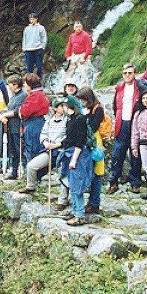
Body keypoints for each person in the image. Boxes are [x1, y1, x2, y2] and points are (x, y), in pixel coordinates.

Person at [21, 97, 68, 211]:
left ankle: (62, 201)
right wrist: (46, 143)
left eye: (64, 106)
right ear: (55, 109)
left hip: (62, 151)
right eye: (61, 106)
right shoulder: (49, 121)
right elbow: (43, 134)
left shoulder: (68, 121)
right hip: (49, 150)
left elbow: (69, 136)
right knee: (31, 166)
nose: (64, 108)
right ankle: (31, 186)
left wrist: (58, 144)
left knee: (63, 175)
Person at [109, 63, 147, 193]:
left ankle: (135, 182)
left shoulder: (141, 87)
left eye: (130, 73)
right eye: (125, 73)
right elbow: (115, 107)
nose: (127, 75)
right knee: (117, 153)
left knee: (135, 153)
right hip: (122, 123)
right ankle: (113, 181)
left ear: (134, 74)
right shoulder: (119, 88)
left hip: (136, 123)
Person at [57, 95, 92, 226]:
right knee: (71, 183)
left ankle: (80, 215)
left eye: (63, 106)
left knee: (77, 184)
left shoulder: (80, 119)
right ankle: (75, 210)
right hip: (70, 153)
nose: (62, 108)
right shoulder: (70, 119)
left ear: (68, 106)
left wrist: (74, 159)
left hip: (79, 155)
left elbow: (80, 141)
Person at [77, 87, 106, 215]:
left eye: (83, 100)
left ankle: (95, 203)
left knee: (97, 173)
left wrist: (84, 117)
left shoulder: (98, 109)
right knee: (90, 171)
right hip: (87, 141)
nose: (81, 102)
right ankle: (91, 202)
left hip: (95, 142)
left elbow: (93, 126)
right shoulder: (87, 109)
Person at [17, 73, 50, 170]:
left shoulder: (36, 96)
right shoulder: (40, 94)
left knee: (32, 148)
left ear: (30, 85)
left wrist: (20, 109)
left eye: (25, 84)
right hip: (37, 123)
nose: (24, 86)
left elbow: (24, 111)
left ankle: (33, 174)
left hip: (33, 124)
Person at [0, 75, 27, 179]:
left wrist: (4, 115)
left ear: (15, 85)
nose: (8, 87)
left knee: (20, 150)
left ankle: (23, 172)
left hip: (18, 126)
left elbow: (17, 111)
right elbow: (9, 108)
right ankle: (14, 172)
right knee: (13, 151)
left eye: (9, 85)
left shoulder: (23, 95)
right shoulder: (14, 96)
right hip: (11, 126)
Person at [21, 12, 47, 77]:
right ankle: (29, 81)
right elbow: (24, 39)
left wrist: (42, 47)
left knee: (39, 67)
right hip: (28, 49)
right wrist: (24, 48)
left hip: (38, 49)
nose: (32, 20)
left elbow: (44, 38)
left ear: (36, 19)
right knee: (29, 68)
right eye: (30, 19)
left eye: (33, 19)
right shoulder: (27, 28)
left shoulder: (41, 27)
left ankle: (39, 79)